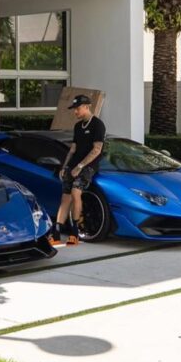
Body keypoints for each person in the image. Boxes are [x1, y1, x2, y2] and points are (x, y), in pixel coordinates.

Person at [48, 94, 106, 247]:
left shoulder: (98, 125)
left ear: (86, 107)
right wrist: (65, 166)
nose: (75, 112)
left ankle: (75, 233)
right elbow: (73, 149)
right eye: (74, 109)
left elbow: (97, 150)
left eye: (77, 108)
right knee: (65, 198)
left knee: (75, 192)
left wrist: (80, 166)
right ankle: (56, 233)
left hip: (88, 166)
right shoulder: (77, 126)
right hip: (73, 165)